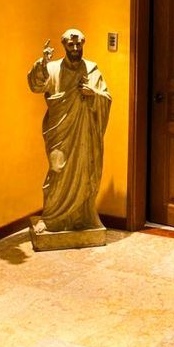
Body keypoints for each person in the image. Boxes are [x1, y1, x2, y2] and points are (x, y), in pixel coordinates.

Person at [27, 29, 111, 233]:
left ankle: (81, 217)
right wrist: (42, 63)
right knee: (57, 169)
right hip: (60, 130)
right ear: (64, 45)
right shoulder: (53, 68)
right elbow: (36, 86)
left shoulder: (92, 69)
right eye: (71, 45)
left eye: (78, 44)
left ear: (83, 45)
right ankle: (51, 218)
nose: (75, 48)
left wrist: (93, 93)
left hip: (85, 131)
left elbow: (106, 97)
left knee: (85, 171)